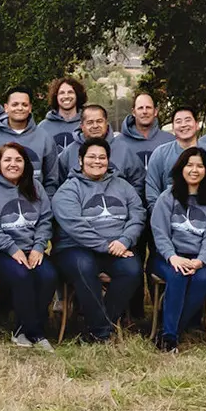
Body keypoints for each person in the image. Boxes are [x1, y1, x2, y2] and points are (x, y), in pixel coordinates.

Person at [51, 138, 145, 343]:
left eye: (102, 157)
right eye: (91, 157)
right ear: (80, 160)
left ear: (108, 160)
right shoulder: (68, 190)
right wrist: (108, 246)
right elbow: (75, 227)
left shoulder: (123, 186)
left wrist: (125, 240)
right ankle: (102, 332)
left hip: (119, 246)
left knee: (132, 270)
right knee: (84, 267)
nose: (97, 161)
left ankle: (97, 326)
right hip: (74, 248)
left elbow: (138, 214)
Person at [0, 143, 60, 349]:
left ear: (26, 164)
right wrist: (12, 249)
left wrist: (39, 247)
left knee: (48, 276)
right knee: (22, 275)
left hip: (32, 249)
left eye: (18, 160)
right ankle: (36, 334)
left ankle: (22, 330)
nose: (13, 164)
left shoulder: (35, 187)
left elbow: (46, 219)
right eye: (8, 160)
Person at [150, 147, 206, 351]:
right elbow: (160, 232)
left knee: (201, 279)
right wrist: (173, 257)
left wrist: (200, 260)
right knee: (177, 276)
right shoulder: (167, 197)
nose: (194, 170)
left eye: (200, 166)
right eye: (189, 165)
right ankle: (170, 336)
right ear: (181, 168)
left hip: (202, 259)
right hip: (169, 257)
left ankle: (169, 332)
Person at [38, 77, 88, 183]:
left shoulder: (87, 124)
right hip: (52, 184)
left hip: (82, 183)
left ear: (77, 95)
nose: (66, 96)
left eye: (70, 92)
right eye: (61, 93)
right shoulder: (43, 127)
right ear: (56, 97)